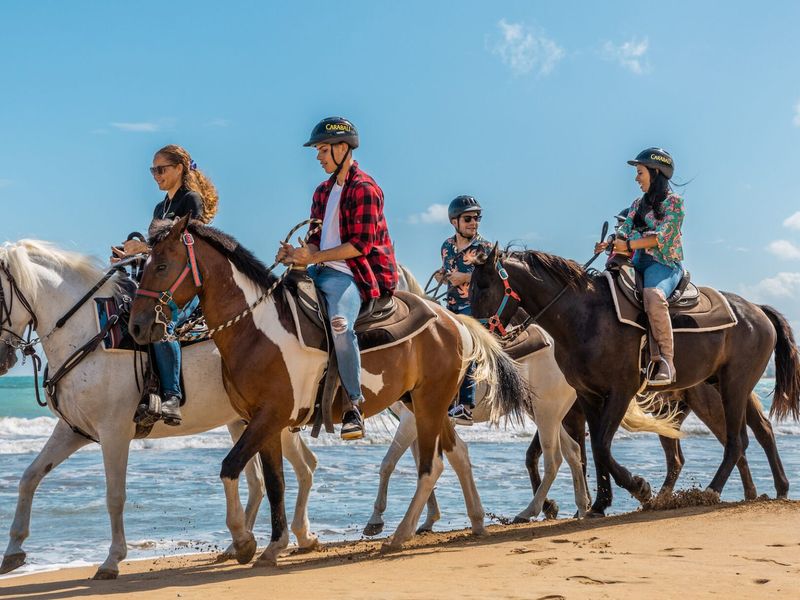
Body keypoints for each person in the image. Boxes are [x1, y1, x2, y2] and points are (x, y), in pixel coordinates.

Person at [277, 117, 398, 440]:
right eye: (318, 150)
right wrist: (297, 254)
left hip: (352, 274)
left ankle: (353, 406)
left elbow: (360, 246)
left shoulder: (366, 189)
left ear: (343, 148)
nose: (318, 157)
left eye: (323, 150)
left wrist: (313, 258)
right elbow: (316, 239)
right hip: (320, 268)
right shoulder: (321, 191)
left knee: (340, 326)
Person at [113, 144, 218, 425]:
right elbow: (158, 252)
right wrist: (130, 253)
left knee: (161, 324)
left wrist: (142, 248)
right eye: (153, 170)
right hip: (161, 283)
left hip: (186, 288)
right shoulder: (161, 207)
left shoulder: (191, 201)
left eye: (161, 169)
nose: (156, 175)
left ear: (179, 169)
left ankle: (172, 395)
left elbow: (187, 249)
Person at [595, 147, 684, 385]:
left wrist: (629, 244)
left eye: (640, 172)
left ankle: (666, 361)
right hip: (636, 263)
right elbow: (623, 232)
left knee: (653, 297)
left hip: (663, 264)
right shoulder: (636, 204)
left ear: (655, 172)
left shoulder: (675, 204)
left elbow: (659, 238)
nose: (636, 178)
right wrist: (610, 243)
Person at [435, 195, 492, 424]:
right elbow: (447, 270)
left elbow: (492, 280)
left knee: (465, 346)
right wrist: (443, 275)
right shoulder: (446, 247)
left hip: (476, 308)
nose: (474, 222)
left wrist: (465, 276)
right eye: (468, 218)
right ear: (454, 222)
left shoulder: (485, 247)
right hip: (451, 307)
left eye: (477, 218)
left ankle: (466, 405)